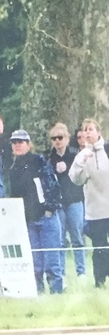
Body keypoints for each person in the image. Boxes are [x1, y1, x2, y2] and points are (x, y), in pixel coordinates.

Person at [8, 129, 64, 294]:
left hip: (46, 217)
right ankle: (38, 292)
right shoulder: (13, 169)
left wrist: (49, 209)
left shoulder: (39, 161)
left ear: (28, 144)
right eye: (14, 142)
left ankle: (56, 293)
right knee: (35, 263)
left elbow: (53, 185)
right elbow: (15, 196)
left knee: (52, 261)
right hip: (29, 220)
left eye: (20, 142)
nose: (17, 145)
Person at [68, 118, 109, 288]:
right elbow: (76, 179)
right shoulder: (82, 155)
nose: (87, 133)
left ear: (98, 132)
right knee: (99, 247)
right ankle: (100, 281)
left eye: (90, 129)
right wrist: (81, 162)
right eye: (85, 130)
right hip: (95, 211)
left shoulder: (107, 149)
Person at [47, 122, 86, 278]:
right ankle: (61, 272)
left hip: (75, 200)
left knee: (77, 237)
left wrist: (68, 167)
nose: (57, 141)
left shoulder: (75, 155)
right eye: (54, 138)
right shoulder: (49, 159)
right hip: (59, 203)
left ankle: (81, 271)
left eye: (60, 137)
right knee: (60, 239)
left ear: (67, 139)